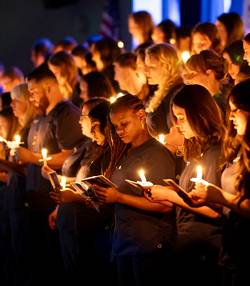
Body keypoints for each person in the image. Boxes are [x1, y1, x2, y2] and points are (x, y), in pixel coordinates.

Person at [144, 85, 225, 286]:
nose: (178, 125)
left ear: (200, 114)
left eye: (181, 117)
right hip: (190, 246)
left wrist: (171, 196)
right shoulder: (199, 153)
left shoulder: (216, 154)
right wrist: (170, 191)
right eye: (175, 118)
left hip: (205, 249)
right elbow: (193, 195)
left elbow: (215, 209)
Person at [94, 94, 177, 286]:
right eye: (115, 126)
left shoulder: (156, 154)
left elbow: (165, 205)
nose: (120, 131)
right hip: (124, 242)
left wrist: (119, 197)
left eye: (124, 124)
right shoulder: (126, 152)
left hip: (147, 245)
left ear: (141, 116)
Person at [190, 79, 250, 286]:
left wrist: (221, 197)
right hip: (231, 250)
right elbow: (231, 204)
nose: (230, 116)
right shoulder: (240, 149)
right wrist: (208, 198)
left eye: (236, 110)